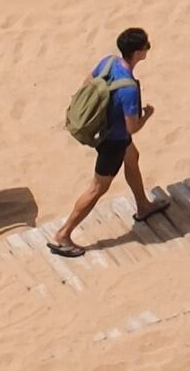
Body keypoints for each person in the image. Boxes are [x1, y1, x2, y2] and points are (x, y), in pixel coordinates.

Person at [46, 27, 161, 258]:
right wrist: (147, 114)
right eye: (146, 46)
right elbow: (132, 127)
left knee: (133, 157)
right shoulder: (128, 89)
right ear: (138, 53)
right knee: (98, 188)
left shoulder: (108, 62)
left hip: (102, 130)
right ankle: (63, 234)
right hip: (114, 141)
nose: (148, 48)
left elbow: (87, 83)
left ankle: (143, 205)